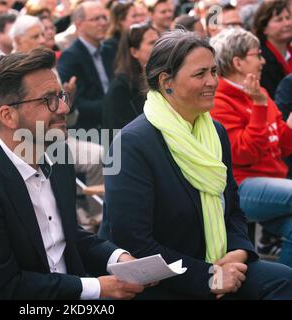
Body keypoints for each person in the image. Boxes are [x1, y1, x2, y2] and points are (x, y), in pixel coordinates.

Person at [0, 48, 146, 299]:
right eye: (48, 99)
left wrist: (117, 258)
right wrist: (98, 288)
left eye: (61, 95)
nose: (63, 108)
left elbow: (67, 235)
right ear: (8, 115)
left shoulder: (58, 159)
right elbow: (5, 288)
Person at [99, 30, 292, 299]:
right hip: (164, 279)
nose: (213, 81)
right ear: (167, 82)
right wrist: (207, 275)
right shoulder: (131, 143)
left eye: (214, 71)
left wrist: (238, 251)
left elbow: (233, 209)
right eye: (200, 74)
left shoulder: (215, 132)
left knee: (284, 280)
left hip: (220, 261)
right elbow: (133, 241)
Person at [210, 27, 292, 268]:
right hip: (241, 187)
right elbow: (242, 153)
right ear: (238, 62)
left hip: (273, 181)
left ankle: (282, 286)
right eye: (257, 54)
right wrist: (259, 106)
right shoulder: (219, 100)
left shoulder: (260, 92)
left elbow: (285, 146)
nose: (262, 60)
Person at [57, 1, 114, 130]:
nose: (103, 23)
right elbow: (76, 104)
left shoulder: (110, 50)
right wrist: (112, 105)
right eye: (96, 19)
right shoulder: (70, 57)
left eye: (104, 17)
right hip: (90, 129)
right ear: (79, 24)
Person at [103, 23, 158, 131]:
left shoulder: (164, 79)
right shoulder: (120, 88)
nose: (159, 46)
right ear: (134, 52)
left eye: (159, 41)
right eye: (152, 43)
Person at [253, 0, 292, 99]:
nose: (287, 23)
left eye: (288, 18)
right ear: (264, 27)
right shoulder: (260, 58)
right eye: (279, 20)